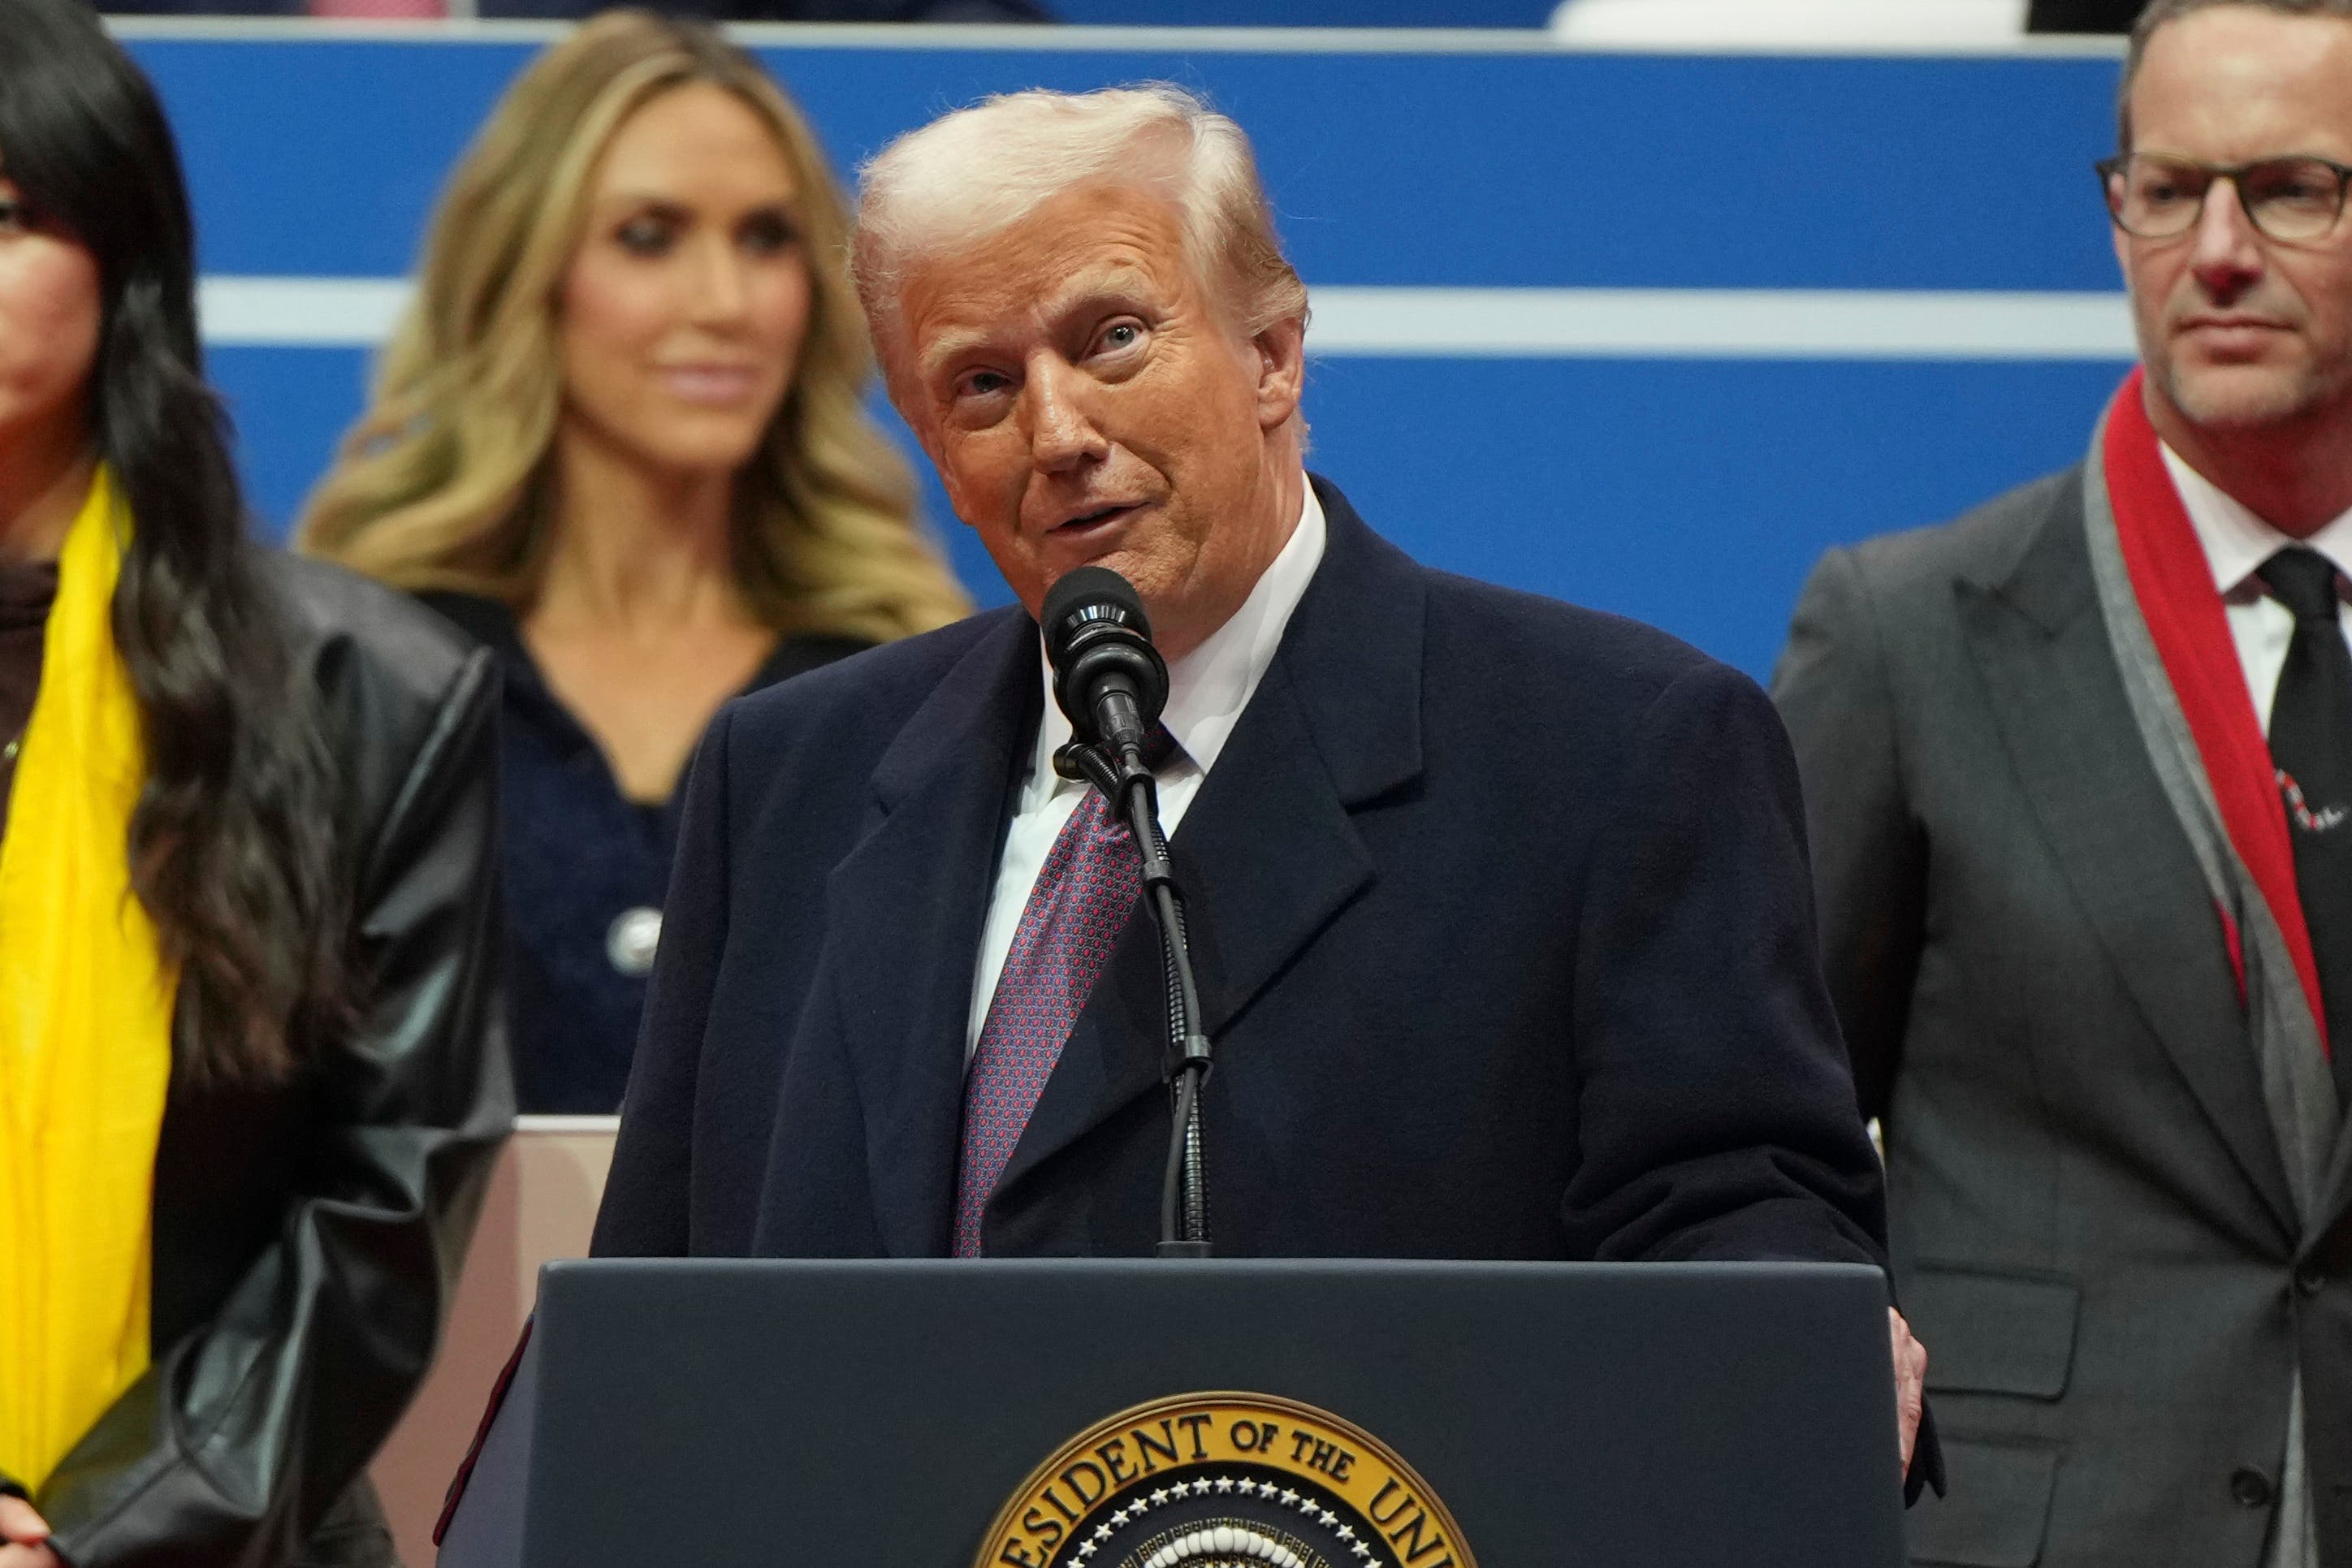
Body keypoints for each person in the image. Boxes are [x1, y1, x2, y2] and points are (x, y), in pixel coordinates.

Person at [586, 82, 1933, 1484]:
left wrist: (1803, 1348)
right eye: (980, 383)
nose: (1055, 431)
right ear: (933, 445)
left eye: (1112, 339)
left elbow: (1740, 1236)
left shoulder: (1619, 753)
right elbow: (648, 1317)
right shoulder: (791, 775)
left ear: (1274, 353)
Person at [1773, 2, 2352, 1562]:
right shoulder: (1905, 631)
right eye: (2166, 191)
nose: (2218, 251)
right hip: (2050, 1523)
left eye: (2295, 186)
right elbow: (1755, 1131)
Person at [0, 2, 508, 1566]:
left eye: (5, 216)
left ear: (123, 254)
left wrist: (94, 1532)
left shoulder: (370, 693)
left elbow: (386, 1198)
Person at [299, 11, 970, 1114]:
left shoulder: (909, 683)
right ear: (529, 276)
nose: (724, 303)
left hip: (790, 1294)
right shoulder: (370, 668)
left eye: (767, 238)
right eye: (650, 236)